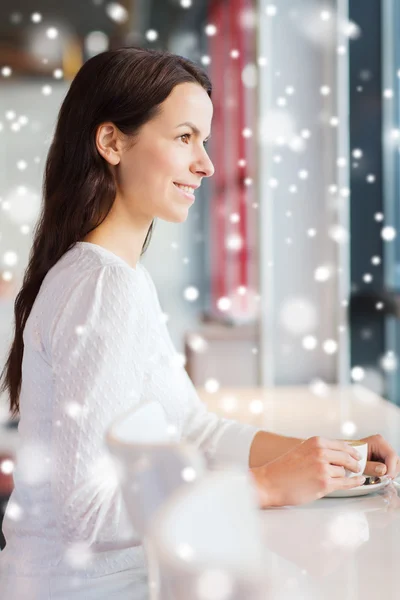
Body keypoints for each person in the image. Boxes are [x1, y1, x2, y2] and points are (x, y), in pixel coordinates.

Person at [0, 47, 398, 599]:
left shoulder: (120, 279)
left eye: (204, 141)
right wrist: (263, 486)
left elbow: (195, 428)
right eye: (185, 137)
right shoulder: (100, 286)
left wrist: (327, 456)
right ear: (111, 142)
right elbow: (84, 511)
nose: (207, 164)